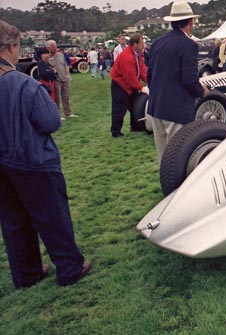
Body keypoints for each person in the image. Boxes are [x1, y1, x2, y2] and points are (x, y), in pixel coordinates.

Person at [0, 19, 91, 289]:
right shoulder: (22, 84)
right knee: (51, 216)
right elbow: (51, 121)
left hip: (3, 163)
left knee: (14, 221)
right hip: (32, 160)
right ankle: (69, 266)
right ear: (11, 46)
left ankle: (27, 273)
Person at [146, 1, 209, 164]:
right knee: (178, 156)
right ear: (190, 22)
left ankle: (166, 186)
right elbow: (189, 78)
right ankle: (178, 188)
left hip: (156, 105)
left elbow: (150, 74)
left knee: (163, 156)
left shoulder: (158, 42)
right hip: (176, 107)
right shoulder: (188, 45)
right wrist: (201, 91)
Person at [110, 33, 147, 137]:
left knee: (135, 105)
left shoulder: (137, 53)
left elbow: (142, 68)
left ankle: (135, 126)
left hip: (129, 84)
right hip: (120, 84)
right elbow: (129, 77)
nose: (143, 45)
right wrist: (141, 87)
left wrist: (148, 79)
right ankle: (116, 131)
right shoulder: (127, 57)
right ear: (134, 44)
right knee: (119, 108)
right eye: (141, 43)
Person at [47, 40, 77, 119]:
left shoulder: (61, 55)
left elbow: (65, 65)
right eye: (53, 47)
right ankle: (58, 115)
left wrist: (67, 75)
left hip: (65, 78)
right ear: (48, 48)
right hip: (56, 79)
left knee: (66, 96)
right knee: (57, 98)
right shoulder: (47, 57)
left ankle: (68, 113)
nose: (55, 48)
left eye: (55, 46)